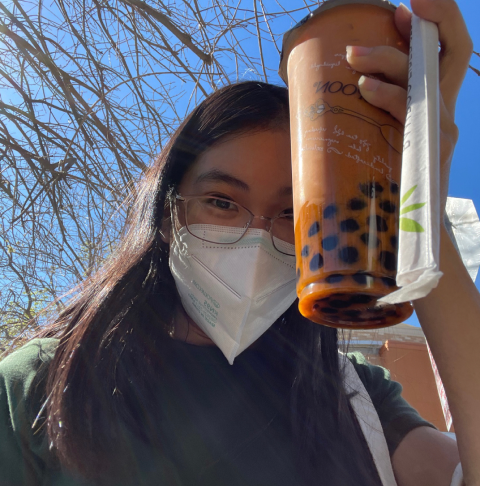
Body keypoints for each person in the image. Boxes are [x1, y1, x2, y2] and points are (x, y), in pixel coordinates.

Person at [0, 0, 477, 485]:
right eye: (222, 203)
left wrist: (419, 193)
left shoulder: (352, 394)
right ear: (167, 215)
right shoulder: (43, 386)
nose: (256, 239)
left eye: (293, 214)